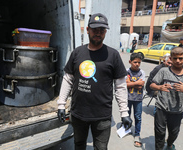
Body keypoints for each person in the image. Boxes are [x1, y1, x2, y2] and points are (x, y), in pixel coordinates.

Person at [57, 13, 132, 150]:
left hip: (102, 116)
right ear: (87, 30)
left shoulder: (113, 55)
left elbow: (120, 86)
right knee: (79, 145)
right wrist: (61, 104)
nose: (98, 33)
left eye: (102, 30)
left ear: (105, 32)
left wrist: (124, 113)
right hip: (78, 113)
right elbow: (68, 79)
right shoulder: (77, 53)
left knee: (101, 148)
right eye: (94, 29)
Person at [150, 47, 183, 150]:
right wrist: (159, 87)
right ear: (170, 58)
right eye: (175, 58)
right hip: (161, 108)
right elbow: (151, 85)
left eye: (180, 58)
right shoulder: (163, 71)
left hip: (177, 110)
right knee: (159, 134)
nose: (178, 61)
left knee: (174, 133)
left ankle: (170, 143)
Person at [126, 53, 145, 147]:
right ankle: (126, 129)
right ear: (130, 62)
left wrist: (131, 83)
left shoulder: (142, 72)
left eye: (139, 62)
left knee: (138, 117)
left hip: (138, 99)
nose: (137, 64)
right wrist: (136, 83)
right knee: (126, 115)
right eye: (135, 62)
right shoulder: (126, 72)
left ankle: (137, 134)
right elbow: (125, 84)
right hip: (127, 98)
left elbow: (141, 85)